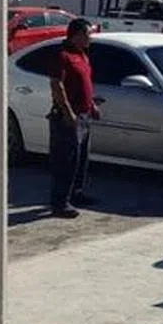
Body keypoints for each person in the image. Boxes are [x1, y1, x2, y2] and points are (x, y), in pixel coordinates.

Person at [48, 18, 100, 218]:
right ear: (77, 35)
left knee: (81, 159)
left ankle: (76, 194)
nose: (90, 38)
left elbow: (85, 83)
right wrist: (68, 112)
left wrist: (92, 105)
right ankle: (59, 203)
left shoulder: (82, 55)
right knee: (65, 161)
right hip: (68, 117)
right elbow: (56, 85)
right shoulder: (62, 56)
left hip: (84, 115)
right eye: (88, 34)